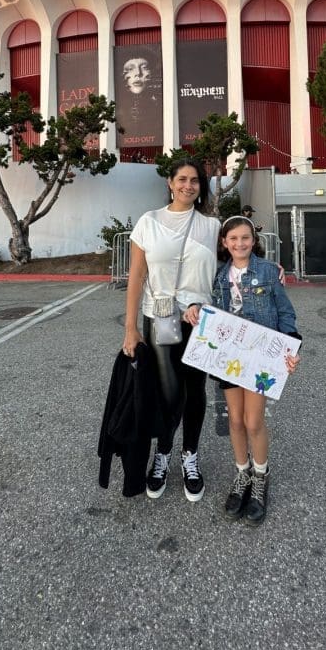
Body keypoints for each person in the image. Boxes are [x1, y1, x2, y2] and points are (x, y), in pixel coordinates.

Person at [122, 158, 220, 502]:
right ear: (170, 182)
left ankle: (190, 454)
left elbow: (241, 252)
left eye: (195, 180)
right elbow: (136, 277)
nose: (188, 185)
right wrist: (130, 328)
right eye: (182, 179)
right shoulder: (148, 222)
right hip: (160, 317)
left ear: (201, 186)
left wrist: (269, 269)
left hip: (201, 321)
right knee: (169, 392)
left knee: (196, 391)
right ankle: (163, 452)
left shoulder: (211, 226)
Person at [208, 215, 300, 526]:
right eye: (233, 239)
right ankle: (242, 473)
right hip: (229, 357)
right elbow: (212, 313)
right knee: (234, 420)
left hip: (260, 358)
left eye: (245, 238)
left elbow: (285, 312)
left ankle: (261, 476)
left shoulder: (269, 272)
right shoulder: (218, 275)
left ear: (254, 240)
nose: (240, 243)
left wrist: (291, 347)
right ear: (224, 242)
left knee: (253, 420)